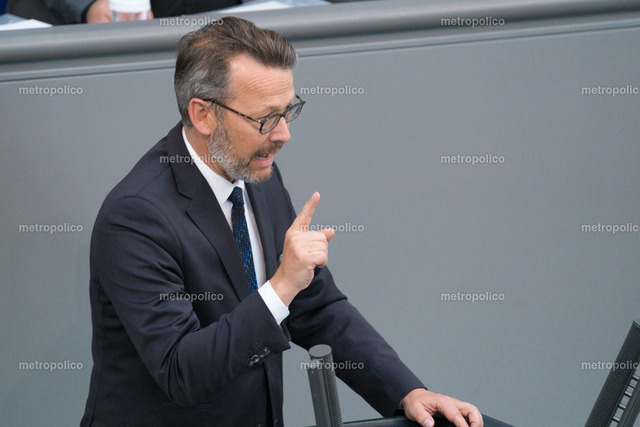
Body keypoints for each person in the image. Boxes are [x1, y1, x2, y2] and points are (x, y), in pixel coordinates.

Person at [80, 16, 483, 427]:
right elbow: (181, 371)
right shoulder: (135, 218)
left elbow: (316, 307)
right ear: (203, 115)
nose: (284, 134)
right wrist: (282, 286)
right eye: (265, 118)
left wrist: (409, 393)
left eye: (288, 110)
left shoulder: (257, 175)